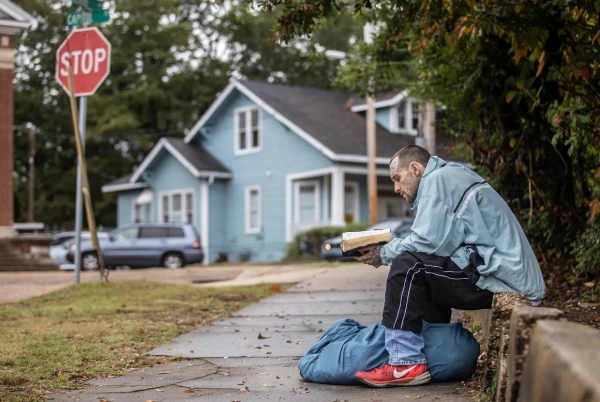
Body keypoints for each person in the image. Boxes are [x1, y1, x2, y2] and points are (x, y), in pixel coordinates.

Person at [353, 145, 545, 387]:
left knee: (408, 265)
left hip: (504, 281)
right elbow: (440, 244)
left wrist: (383, 253)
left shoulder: (438, 181)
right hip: (504, 274)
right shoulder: (449, 174)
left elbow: (427, 242)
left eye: (397, 179)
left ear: (415, 169)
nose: (396, 188)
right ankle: (436, 352)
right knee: (424, 270)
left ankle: (404, 363)